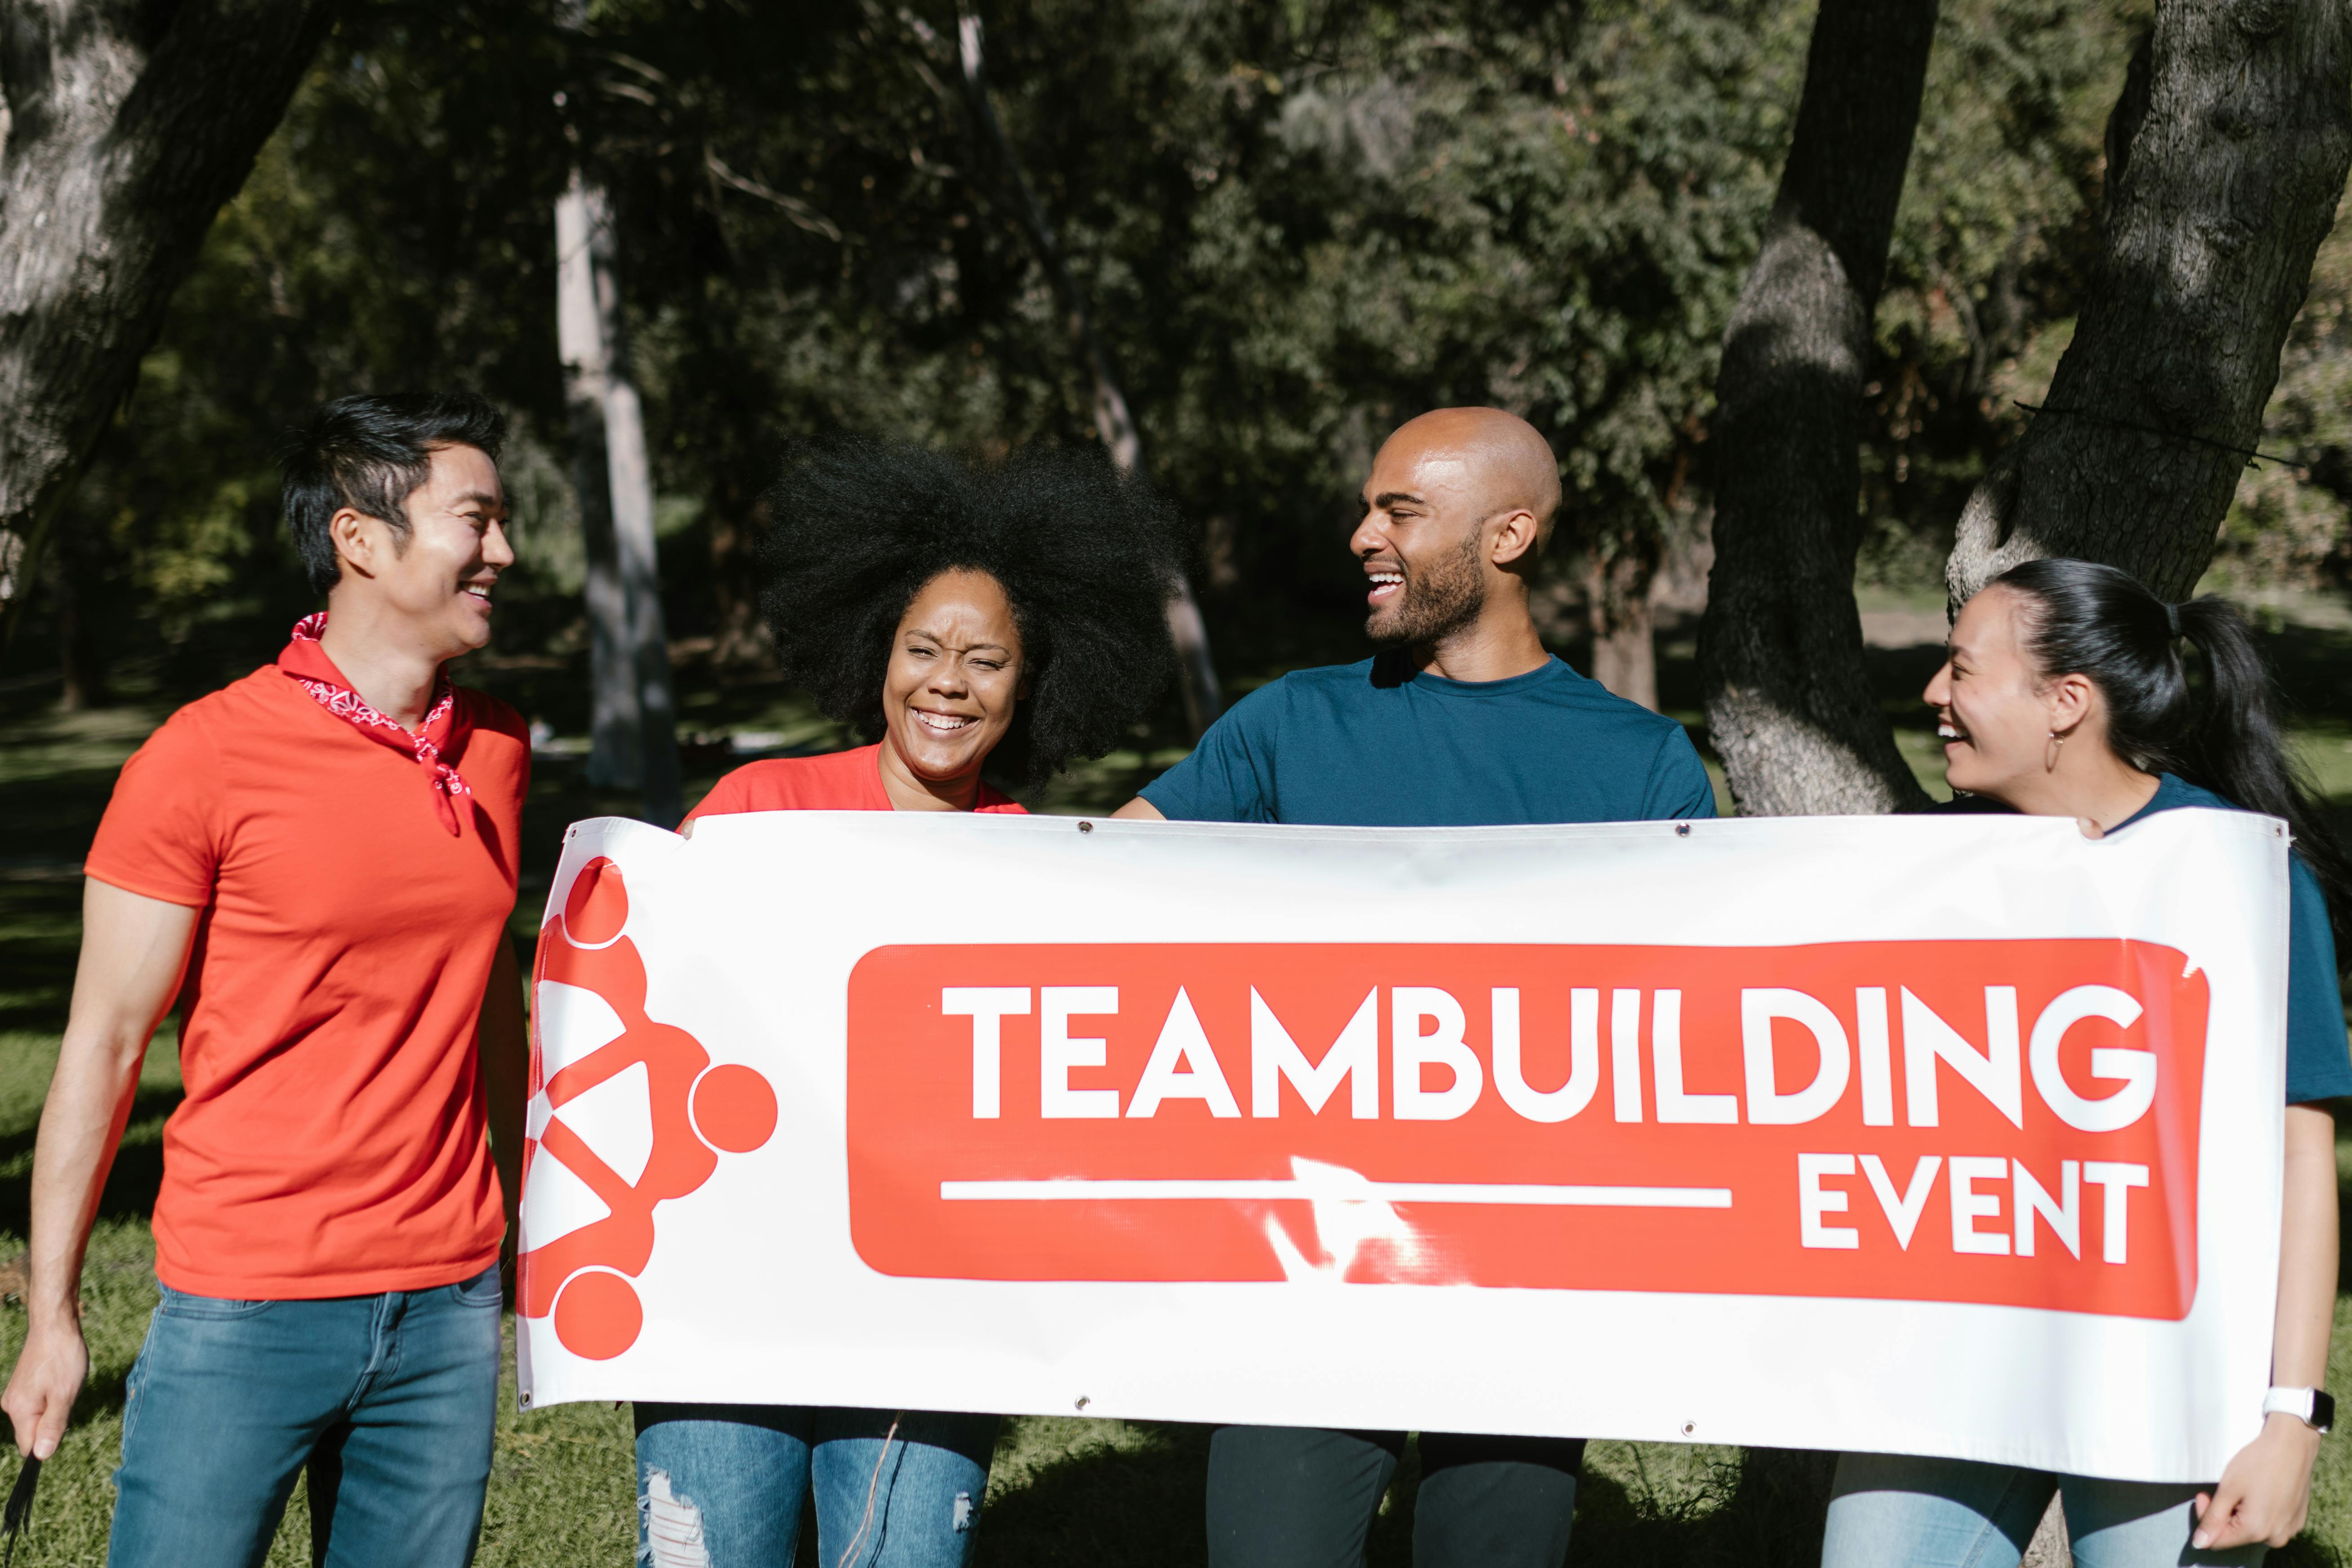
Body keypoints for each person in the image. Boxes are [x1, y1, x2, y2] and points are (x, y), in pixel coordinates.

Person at [1113, 407, 1717, 1568]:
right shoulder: (1291, 720)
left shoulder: (1640, 764)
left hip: (1528, 1268)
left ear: (1509, 534)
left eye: (1399, 512)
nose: (1360, 537)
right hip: (1311, 1253)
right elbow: (1092, 882)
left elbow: (1683, 1026)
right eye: (1367, 507)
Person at [634, 438, 1186, 1568]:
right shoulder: (759, 809)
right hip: (729, 1282)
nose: (949, 683)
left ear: (1031, 683)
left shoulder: (1035, 865)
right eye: (923, 649)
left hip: (932, 1303)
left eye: (986, 661)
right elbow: (654, 1012)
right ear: (875, 655)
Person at [0, 393, 531, 1567]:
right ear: (361, 540)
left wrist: (529, 1211)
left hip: (448, 1305)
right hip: (247, 1301)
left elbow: (487, 986)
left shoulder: (493, 747)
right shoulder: (201, 758)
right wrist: (54, 1321)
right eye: (477, 520)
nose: (505, 551)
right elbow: (100, 1045)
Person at [1820, 558, 2350, 1568]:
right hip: (1952, 1366)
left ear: (2066, 702)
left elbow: (2298, 1159)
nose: (1933, 692)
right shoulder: (1917, 873)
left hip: (2170, 1373)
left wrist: (2291, 1420)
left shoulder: (2242, 877)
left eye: (1961, 668)